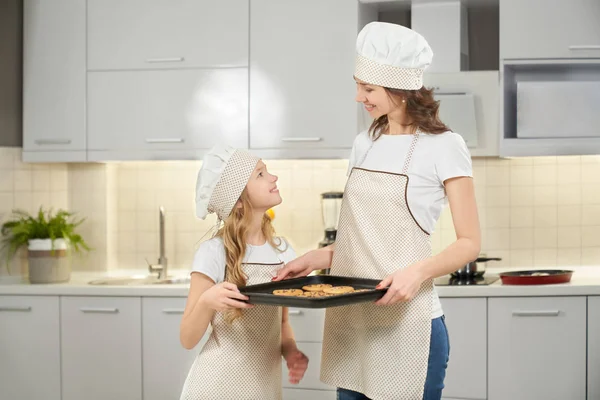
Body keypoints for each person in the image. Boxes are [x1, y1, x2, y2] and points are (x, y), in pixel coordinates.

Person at [273, 22, 481, 400]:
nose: (358, 97)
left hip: (409, 324)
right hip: (355, 322)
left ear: (399, 88)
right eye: (358, 85)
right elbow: (368, 241)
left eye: (367, 88)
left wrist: (416, 273)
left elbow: (469, 243)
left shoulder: (445, 146)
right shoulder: (364, 143)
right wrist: (315, 258)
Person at [179, 144, 309, 400]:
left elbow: (281, 324)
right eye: (260, 174)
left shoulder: (283, 251)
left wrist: (291, 351)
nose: (273, 177)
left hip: (264, 390)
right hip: (216, 388)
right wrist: (207, 301)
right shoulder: (214, 252)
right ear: (238, 200)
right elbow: (187, 338)